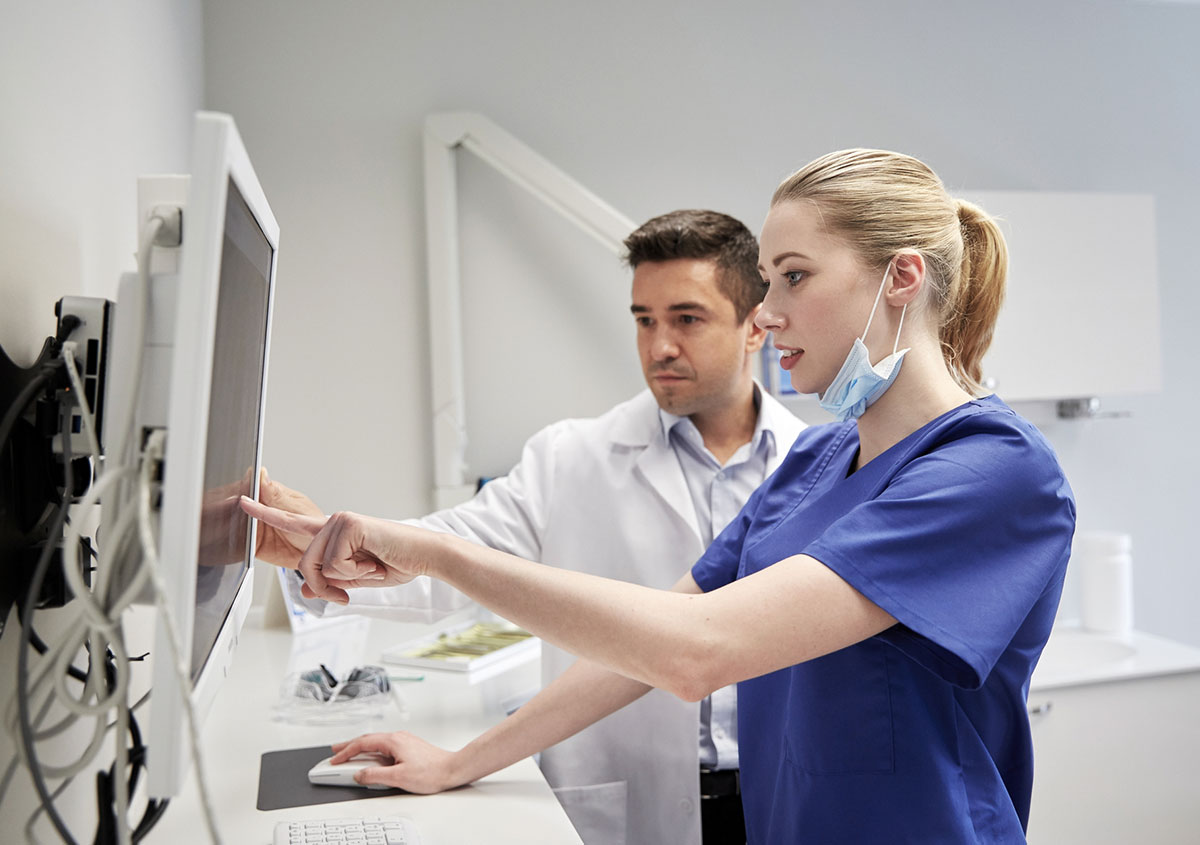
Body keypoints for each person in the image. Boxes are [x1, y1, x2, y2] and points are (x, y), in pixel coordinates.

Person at [246, 149, 1076, 843]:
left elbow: (699, 651)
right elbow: (641, 645)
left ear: (901, 277)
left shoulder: (993, 474)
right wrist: (463, 761)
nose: (772, 315)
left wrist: (437, 552)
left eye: (792, 278)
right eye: (766, 282)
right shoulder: (819, 460)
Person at [254, 209, 805, 845]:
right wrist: (315, 549)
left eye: (687, 319)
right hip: (626, 796)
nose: (659, 347)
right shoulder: (570, 458)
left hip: (770, 795)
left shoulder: (816, 465)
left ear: (755, 329)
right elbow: (448, 559)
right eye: (644, 320)